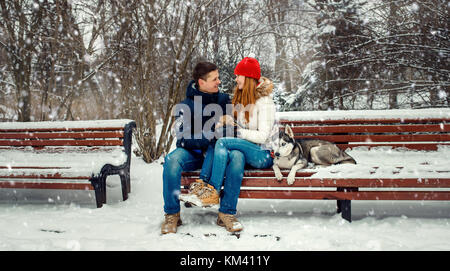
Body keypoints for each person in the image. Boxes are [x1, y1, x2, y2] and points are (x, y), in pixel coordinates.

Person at [182, 57, 276, 232]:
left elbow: (263, 136)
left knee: (223, 141)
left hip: (263, 154)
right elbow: (240, 126)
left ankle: (210, 189)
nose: (235, 79)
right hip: (245, 149)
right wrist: (228, 121)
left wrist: (236, 132)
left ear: (247, 77)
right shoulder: (241, 97)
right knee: (236, 156)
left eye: (238, 75)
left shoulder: (265, 102)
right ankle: (226, 213)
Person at [161, 62, 231, 234]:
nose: (219, 82)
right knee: (171, 161)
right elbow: (183, 138)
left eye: (218, 78)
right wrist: (210, 132)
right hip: (191, 153)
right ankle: (172, 215)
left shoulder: (223, 101)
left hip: (215, 153)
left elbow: (229, 133)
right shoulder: (184, 106)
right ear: (201, 82)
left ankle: (216, 201)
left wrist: (222, 128)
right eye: (215, 79)